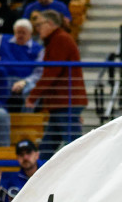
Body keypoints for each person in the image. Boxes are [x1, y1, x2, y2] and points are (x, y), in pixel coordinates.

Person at [28, 11, 86, 158]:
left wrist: (33, 96)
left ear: (51, 24)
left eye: (40, 24)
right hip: (61, 102)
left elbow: (51, 72)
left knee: (74, 147)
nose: (37, 29)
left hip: (65, 101)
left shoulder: (60, 40)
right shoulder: (57, 39)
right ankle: (39, 175)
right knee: (47, 148)